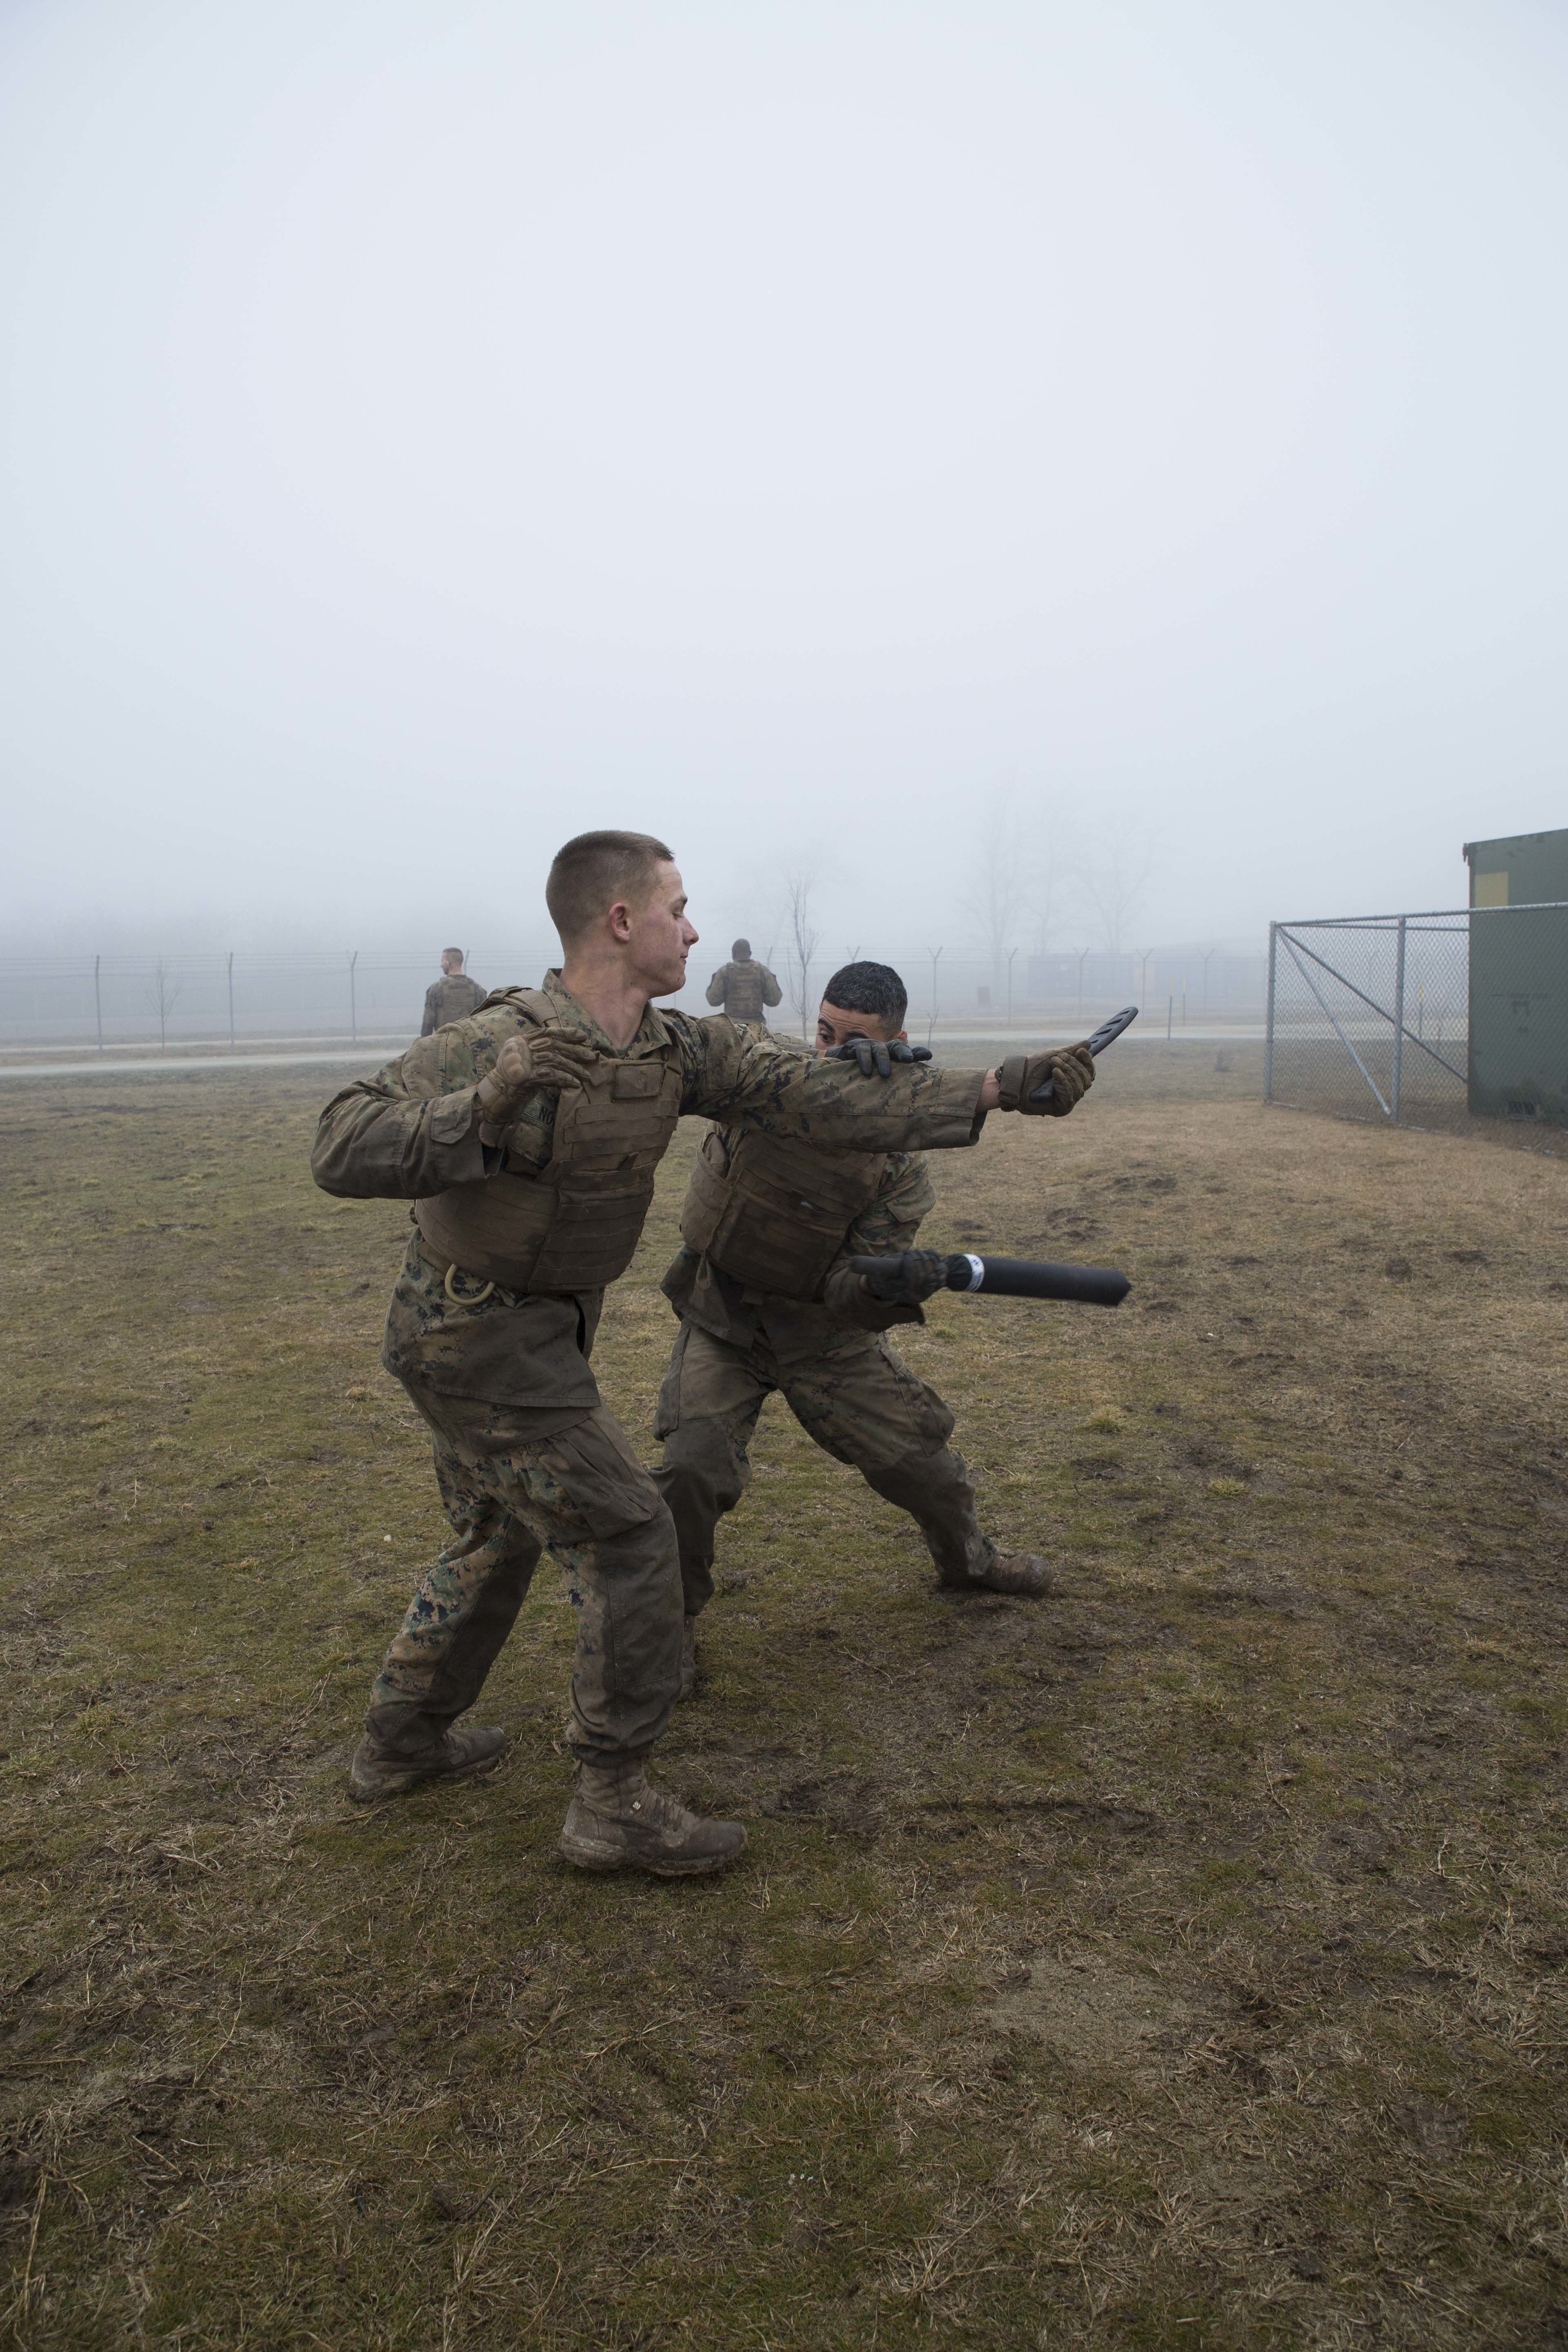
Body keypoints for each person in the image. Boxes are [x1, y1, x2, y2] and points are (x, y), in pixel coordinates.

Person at [312, 833, 1093, 1878]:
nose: (693, 927)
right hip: (473, 1332)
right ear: (620, 921)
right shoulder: (500, 1037)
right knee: (636, 1531)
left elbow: (814, 1095)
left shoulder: (675, 1050)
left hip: (540, 1328)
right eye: (676, 908)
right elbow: (338, 1142)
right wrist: (482, 1106)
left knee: (499, 1531)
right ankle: (609, 1802)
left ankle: (400, 1741)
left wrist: (995, 1087)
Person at [653, 962, 1095, 1694]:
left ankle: (969, 1560)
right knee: (691, 1467)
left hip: (822, 1334)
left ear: (898, 1043)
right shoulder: (770, 1079)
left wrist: (888, 1286)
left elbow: (848, 1293)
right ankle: (666, 1626)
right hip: (724, 1317)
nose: (832, 1054)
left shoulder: (898, 1172)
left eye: (854, 1041)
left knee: (921, 1461)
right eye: (825, 1033)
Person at [705, 938, 782, 1027]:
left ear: (733, 953)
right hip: (757, 1028)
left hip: (732, 1029)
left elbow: (713, 1000)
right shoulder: (762, 971)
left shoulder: (724, 972)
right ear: (750, 954)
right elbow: (774, 1000)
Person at [421, 949, 486, 1036]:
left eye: (443, 961)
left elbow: (427, 1024)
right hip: (471, 1046)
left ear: (448, 963)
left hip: (443, 1046)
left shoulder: (436, 989)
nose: (441, 965)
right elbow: (484, 1023)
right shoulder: (478, 990)